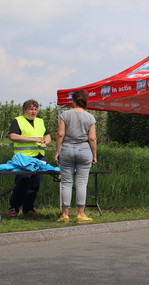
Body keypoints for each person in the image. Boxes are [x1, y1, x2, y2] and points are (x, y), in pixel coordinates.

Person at [53, 90, 98, 223]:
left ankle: (65, 214)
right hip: (84, 149)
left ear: (73, 100)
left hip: (67, 149)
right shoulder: (90, 117)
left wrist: (57, 152)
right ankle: (80, 214)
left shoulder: (65, 115)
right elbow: (92, 138)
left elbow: (60, 134)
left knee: (66, 182)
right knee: (82, 183)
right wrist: (94, 154)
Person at [7, 99, 52, 217]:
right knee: (22, 181)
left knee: (35, 184)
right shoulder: (18, 121)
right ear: (24, 110)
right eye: (31, 109)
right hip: (24, 157)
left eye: (35, 109)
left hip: (39, 157)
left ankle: (29, 208)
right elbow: (13, 136)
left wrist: (46, 141)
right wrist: (33, 140)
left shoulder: (40, 121)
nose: (33, 112)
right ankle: (14, 208)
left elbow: (47, 135)